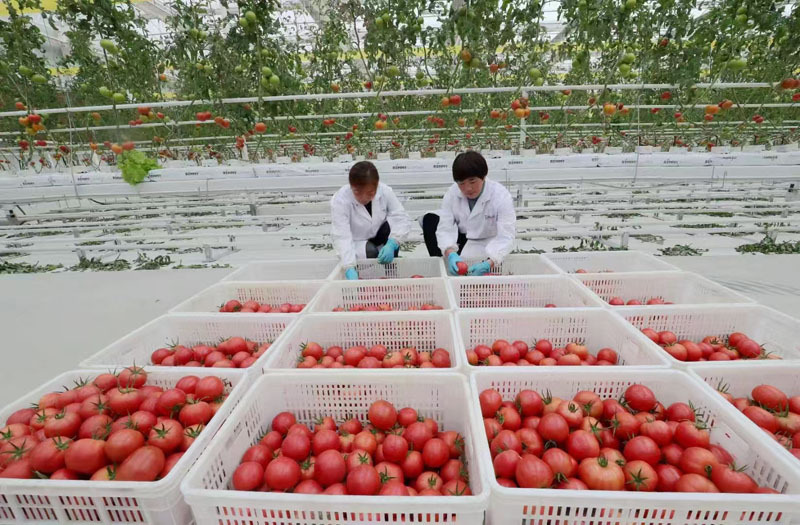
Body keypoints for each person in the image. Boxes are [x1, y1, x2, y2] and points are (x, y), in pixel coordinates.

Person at [421, 151, 516, 275]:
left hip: (493, 241)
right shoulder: (452, 194)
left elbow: (506, 235)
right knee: (430, 219)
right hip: (467, 238)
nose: (468, 188)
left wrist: (490, 262)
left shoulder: (500, 196)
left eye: (472, 182)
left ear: (483, 176)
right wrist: (451, 253)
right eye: (462, 183)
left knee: (490, 279)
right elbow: (445, 228)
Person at [331, 160, 411, 279]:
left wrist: (393, 243)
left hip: (381, 237)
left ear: (377, 185)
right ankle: (362, 275)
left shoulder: (385, 191)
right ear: (351, 186)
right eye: (357, 192)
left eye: (370, 193)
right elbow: (342, 236)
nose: (363, 198)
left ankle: (391, 276)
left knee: (392, 230)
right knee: (370, 251)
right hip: (357, 242)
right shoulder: (340, 200)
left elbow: (400, 218)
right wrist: (349, 266)